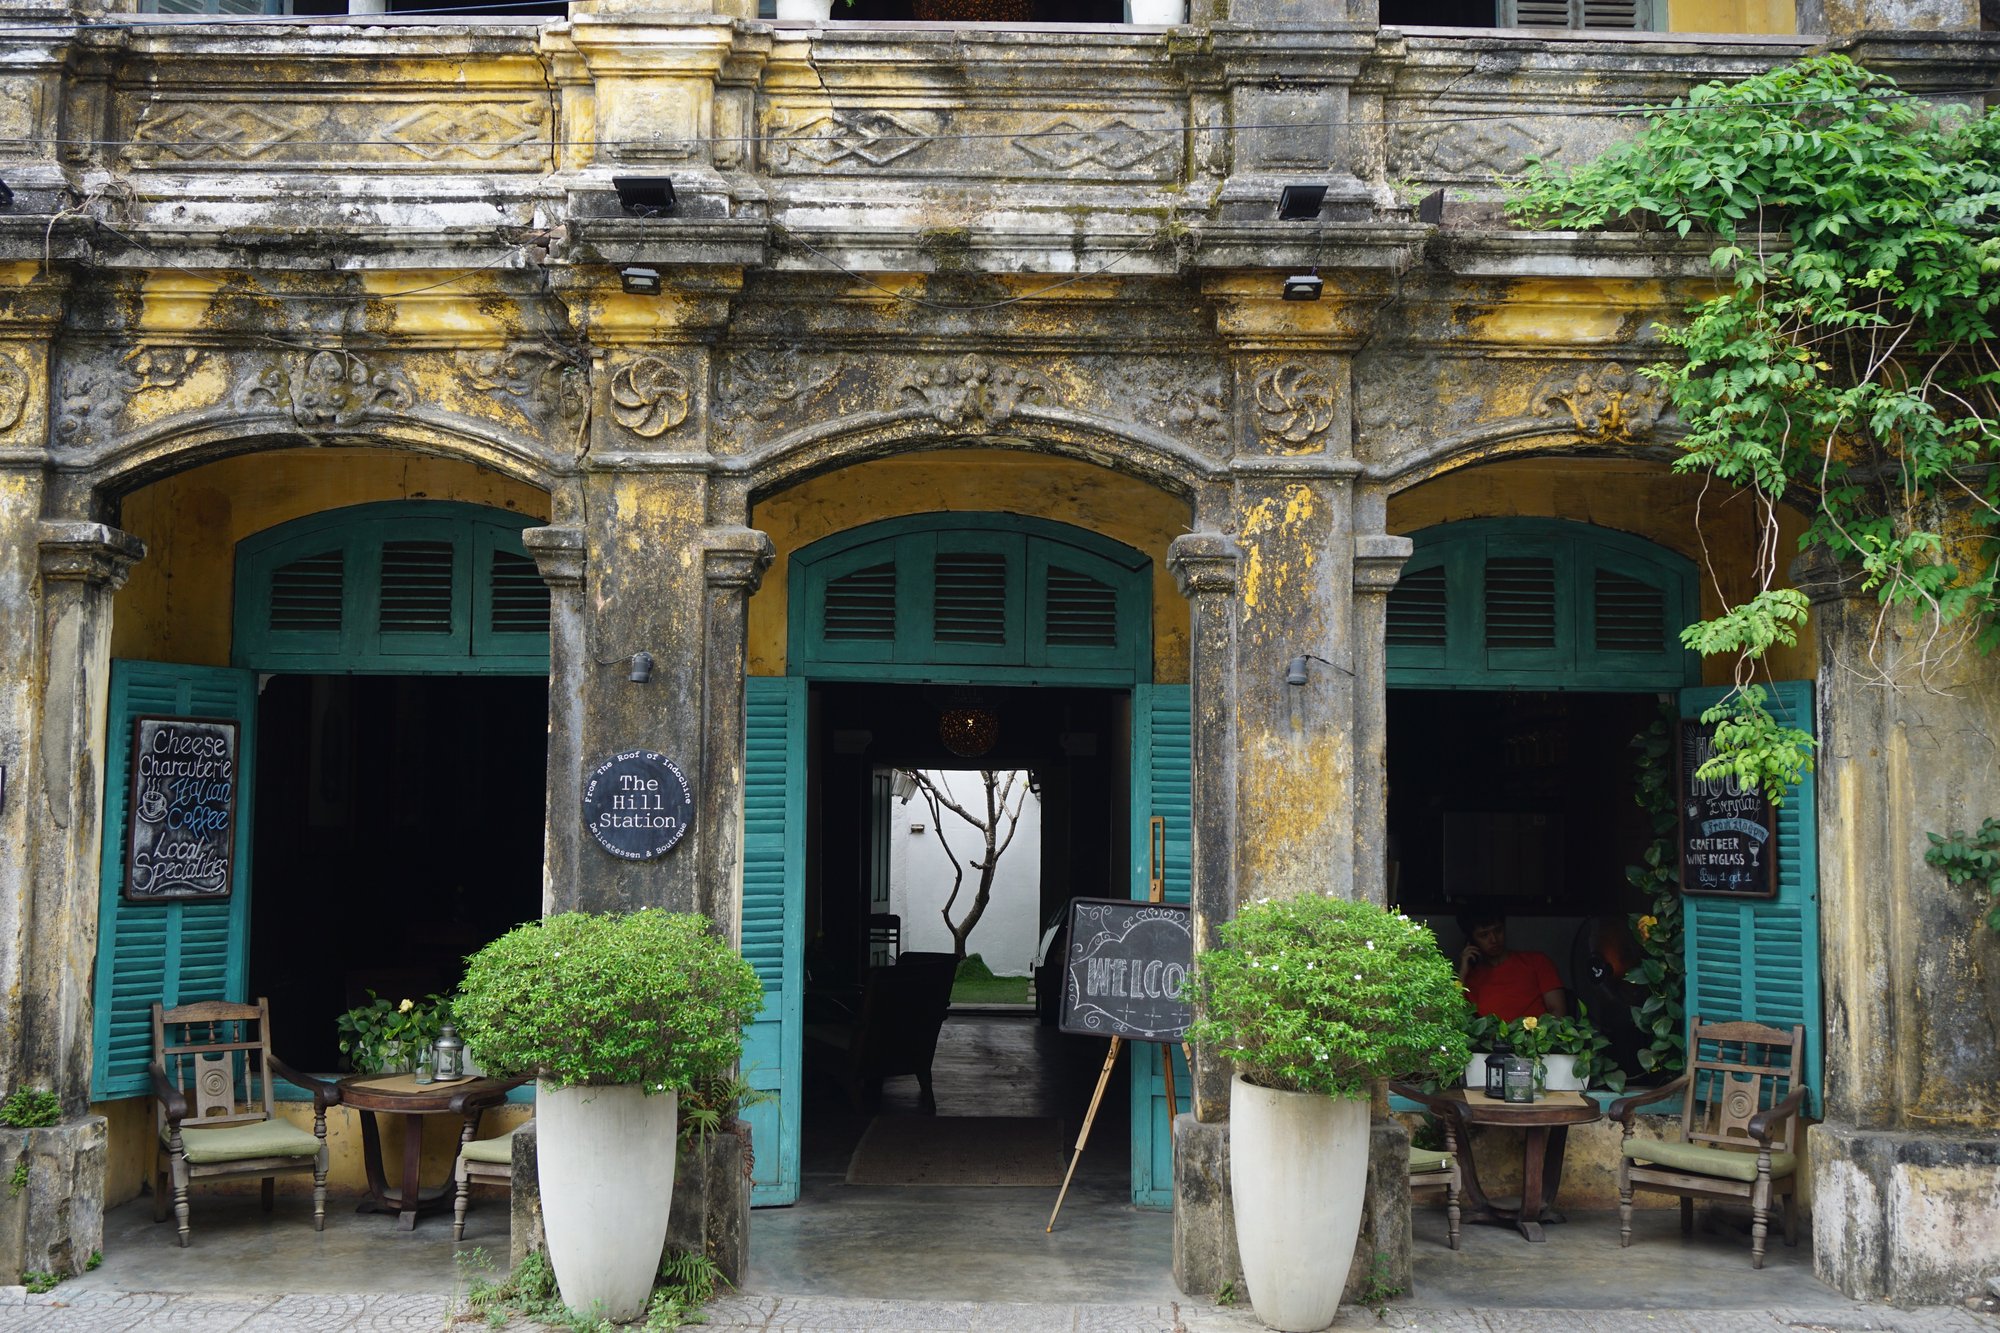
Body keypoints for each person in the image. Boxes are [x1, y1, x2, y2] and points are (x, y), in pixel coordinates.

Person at [1455, 911, 1568, 1022]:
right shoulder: (1469, 978)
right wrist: (1463, 972)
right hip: (1491, 1034)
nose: (1494, 939)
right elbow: (1454, 1016)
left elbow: (1558, 1011)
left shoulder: (1537, 961)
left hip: (1537, 1032)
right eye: (1484, 935)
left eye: (1498, 930)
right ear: (1472, 940)